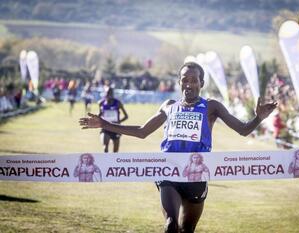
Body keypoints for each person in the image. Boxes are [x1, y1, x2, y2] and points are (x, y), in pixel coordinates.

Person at [79, 62, 277, 232]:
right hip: (168, 171)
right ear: (179, 81)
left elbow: (242, 130)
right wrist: (105, 125)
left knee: (187, 230)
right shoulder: (169, 105)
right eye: (184, 79)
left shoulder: (211, 106)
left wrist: (258, 118)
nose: (189, 84)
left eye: (193, 80)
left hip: (196, 175)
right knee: (171, 226)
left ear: (202, 83)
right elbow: (142, 131)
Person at [98, 87, 128, 153]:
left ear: (112, 93)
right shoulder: (101, 103)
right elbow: (99, 115)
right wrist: (97, 118)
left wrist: (119, 121)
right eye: (107, 93)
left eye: (110, 93)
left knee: (115, 152)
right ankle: (106, 162)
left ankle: (113, 163)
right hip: (105, 128)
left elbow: (126, 116)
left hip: (116, 128)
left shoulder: (118, 103)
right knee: (105, 148)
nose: (108, 94)